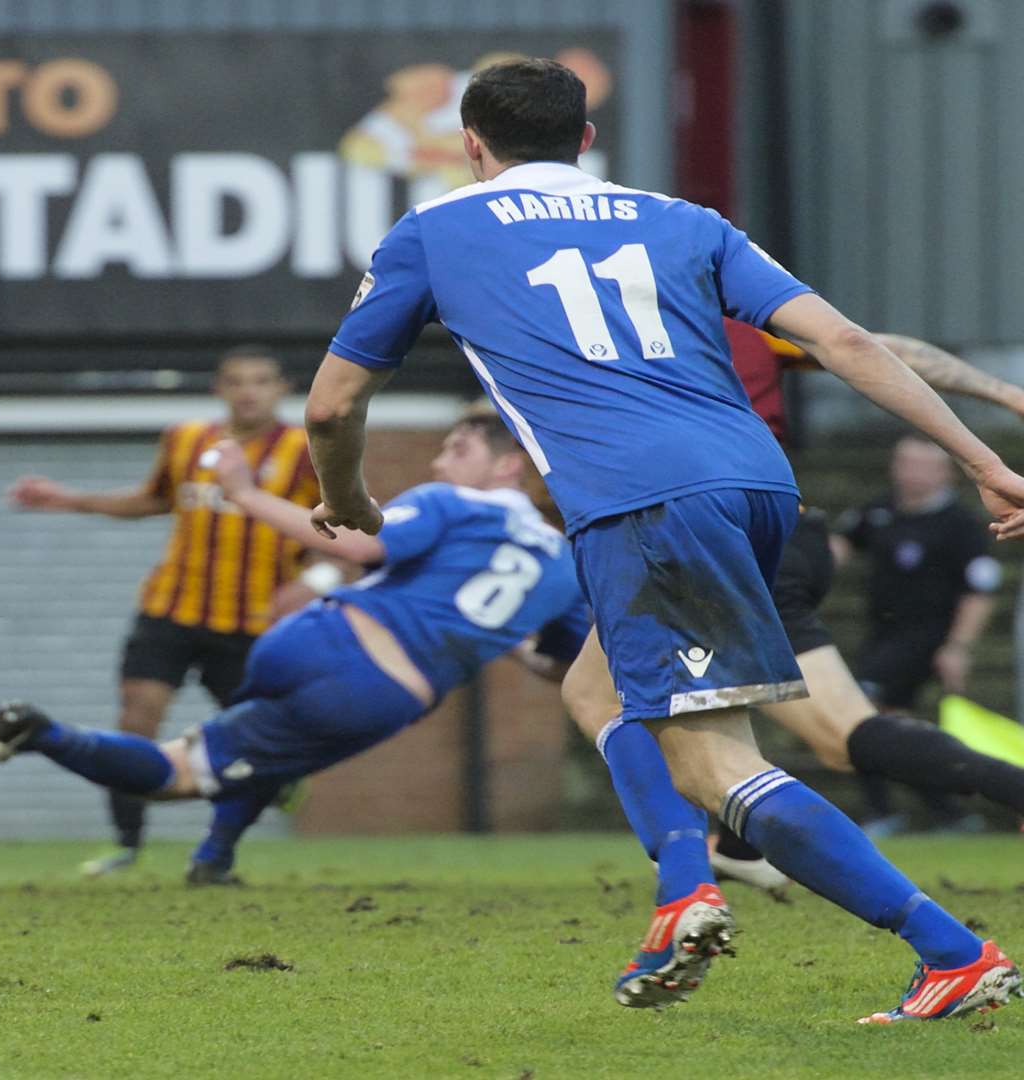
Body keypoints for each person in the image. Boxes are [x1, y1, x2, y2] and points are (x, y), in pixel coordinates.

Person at [306, 56, 1024, 1022]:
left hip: (641, 499)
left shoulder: (433, 231)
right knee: (595, 687)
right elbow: (848, 342)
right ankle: (684, 885)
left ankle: (949, 950)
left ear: (471, 146)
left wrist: (348, 498)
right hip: (761, 485)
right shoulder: (686, 219)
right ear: (587, 140)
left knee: (715, 762)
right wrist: (984, 459)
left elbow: (333, 404)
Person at [0, 414, 590, 885]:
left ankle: (214, 858)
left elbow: (357, 544)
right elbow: (562, 667)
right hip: (372, 691)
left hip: (307, 640)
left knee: (245, 751)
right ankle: (39, 733)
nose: (441, 463)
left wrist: (246, 495)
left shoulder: (456, 504)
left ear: (509, 465)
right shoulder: (564, 566)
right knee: (186, 775)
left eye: (458, 448)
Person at [561, 327, 1024, 894]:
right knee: (839, 734)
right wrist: (1002, 392)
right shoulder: (737, 320)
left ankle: (687, 875)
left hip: (704, 527)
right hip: (788, 528)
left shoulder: (612, 327)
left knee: (598, 695)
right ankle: (734, 847)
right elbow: (873, 348)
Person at [6, 345, 319, 876]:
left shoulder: (306, 451)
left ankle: (220, 849)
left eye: (261, 380)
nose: (249, 391)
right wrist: (70, 499)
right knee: (136, 716)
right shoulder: (186, 439)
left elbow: (333, 525)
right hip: (170, 609)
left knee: (261, 740)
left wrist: (315, 581)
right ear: (220, 388)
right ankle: (126, 844)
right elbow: (155, 499)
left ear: (283, 389)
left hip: (250, 622)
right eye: (237, 380)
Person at [833, 435, 1003, 834]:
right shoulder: (878, 510)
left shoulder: (960, 524)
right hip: (881, 636)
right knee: (884, 726)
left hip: (926, 640)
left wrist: (958, 647)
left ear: (945, 473)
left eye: (923, 465)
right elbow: (836, 549)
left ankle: (884, 813)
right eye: (905, 463)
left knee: (863, 713)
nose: (911, 473)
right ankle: (947, 812)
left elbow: (980, 592)